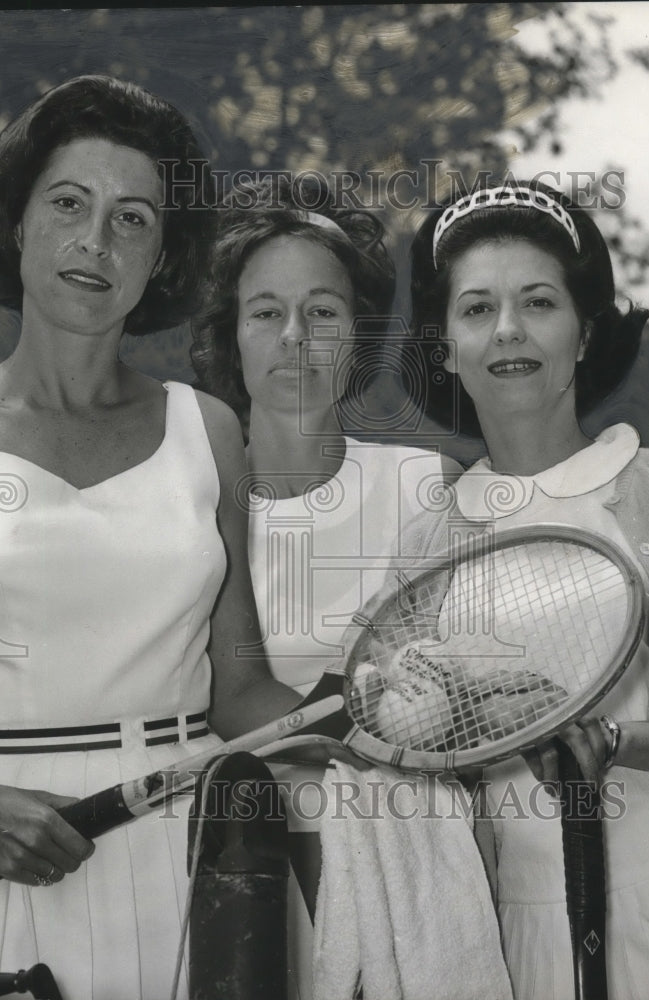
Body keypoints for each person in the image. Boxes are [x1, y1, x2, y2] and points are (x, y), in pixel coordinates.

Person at [0, 75, 299, 1000]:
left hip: (195, 868)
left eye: (134, 219)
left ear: (162, 257)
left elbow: (242, 691)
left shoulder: (210, 429)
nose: (96, 241)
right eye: (69, 204)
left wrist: (366, 729)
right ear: (18, 223)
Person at [405, 178, 649, 999]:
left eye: (539, 302)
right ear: (444, 345)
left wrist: (615, 744)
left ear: (585, 333)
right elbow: (419, 764)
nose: (509, 330)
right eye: (477, 308)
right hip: (516, 946)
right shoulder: (425, 549)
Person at [191, 177, 510, 1000]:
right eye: (265, 312)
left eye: (323, 313)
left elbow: (465, 697)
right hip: (224, 877)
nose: (295, 337)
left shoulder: (428, 487)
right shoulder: (185, 503)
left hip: (409, 880)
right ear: (231, 335)